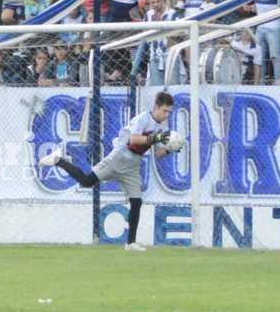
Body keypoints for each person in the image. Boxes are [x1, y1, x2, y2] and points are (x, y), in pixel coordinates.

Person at [39, 91, 180, 251]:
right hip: (118, 159)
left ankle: (131, 243)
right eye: (164, 111)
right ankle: (58, 160)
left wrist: (171, 149)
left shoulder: (163, 126)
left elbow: (157, 154)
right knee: (86, 181)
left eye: (169, 112)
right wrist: (155, 138)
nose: (167, 114)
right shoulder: (142, 119)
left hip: (133, 165)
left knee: (136, 201)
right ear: (156, 106)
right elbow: (134, 139)